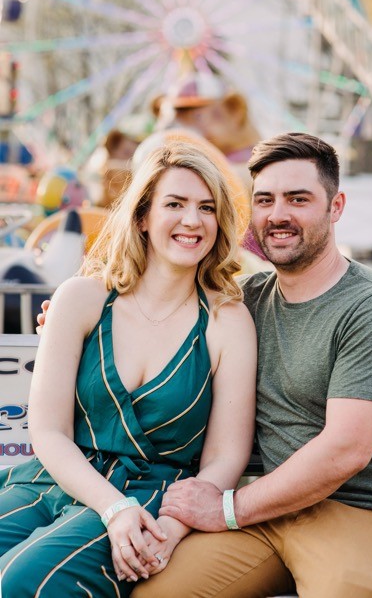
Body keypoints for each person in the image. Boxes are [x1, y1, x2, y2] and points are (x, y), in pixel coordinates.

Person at [130, 132, 372, 597]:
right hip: (272, 515)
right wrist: (75, 317)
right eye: (265, 200)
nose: (277, 215)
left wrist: (226, 508)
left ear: (336, 206)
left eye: (298, 199)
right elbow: (154, 317)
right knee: (156, 592)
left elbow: (344, 452)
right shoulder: (246, 303)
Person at [0, 142, 257, 597]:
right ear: (142, 215)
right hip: (60, 476)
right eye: (174, 204)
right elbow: (48, 430)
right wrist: (110, 507)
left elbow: (225, 457)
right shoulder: (81, 299)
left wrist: (172, 528)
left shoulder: (226, 320)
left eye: (206, 208)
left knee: (25, 580)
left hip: (151, 495)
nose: (192, 220)